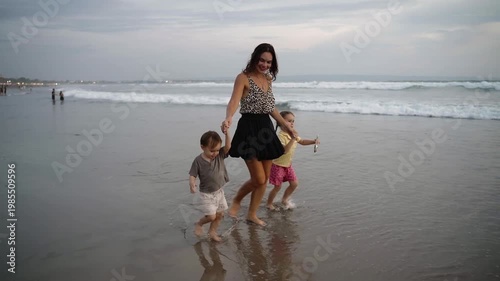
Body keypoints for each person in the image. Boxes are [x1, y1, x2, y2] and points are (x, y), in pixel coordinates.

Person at [221, 43, 295, 226]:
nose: (265, 64)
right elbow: (234, 101)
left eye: (269, 62)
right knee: (259, 178)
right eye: (262, 60)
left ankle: (251, 214)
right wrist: (229, 117)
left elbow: (271, 108)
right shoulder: (243, 78)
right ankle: (237, 200)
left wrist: (286, 125)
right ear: (255, 58)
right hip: (249, 128)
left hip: (266, 128)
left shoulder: (268, 79)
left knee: (265, 180)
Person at [266, 111, 320, 210]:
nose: (292, 123)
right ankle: (269, 203)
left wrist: (313, 141)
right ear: (280, 122)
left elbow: (302, 141)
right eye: (289, 121)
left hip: (288, 165)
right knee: (277, 187)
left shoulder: (292, 133)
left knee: (294, 184)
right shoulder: (279, 136)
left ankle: (284, 199)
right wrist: (292, 139)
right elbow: (285, 151)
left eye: (293, 121)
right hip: (277, 165)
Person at [189, 129, 231, 242]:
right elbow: (192, 174)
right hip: (206, 194)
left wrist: (227, 134)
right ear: (202, 147)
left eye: (217, 150)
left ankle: (212, 232)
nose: (215, 153)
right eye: (212, 151)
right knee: (211, 216)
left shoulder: (219, 155)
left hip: (219, 192)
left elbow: (227, 147)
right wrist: (192, 183)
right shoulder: (198, 161)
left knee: (220, 214)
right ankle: (199, 223)